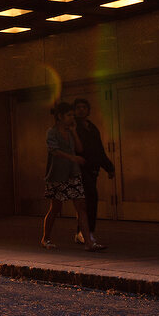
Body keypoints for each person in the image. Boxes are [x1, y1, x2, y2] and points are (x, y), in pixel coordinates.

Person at [41, 102, 105, 252]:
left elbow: (79, 148)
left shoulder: (70, 132)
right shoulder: (52, 132)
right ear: (60, 116)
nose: (72, 118)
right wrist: (73, 158)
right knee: (55, 207)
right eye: (69, 115)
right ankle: (46, 238)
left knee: (81, 205)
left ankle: (88, 241)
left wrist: (75, 132)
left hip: (73, 174)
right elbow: (54, 151)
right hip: (57, 175)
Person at [73, 98, 115, 244]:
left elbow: (99, 150)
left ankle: (82, 232)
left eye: (84, 107)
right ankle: (86, 232)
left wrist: (108, 167)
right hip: (79, 169)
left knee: (88, 201)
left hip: (92, 169)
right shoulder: (74, 128)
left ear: (88, 110)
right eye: (78, 107)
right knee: (89, 199)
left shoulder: (92, 127)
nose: (81, 110)